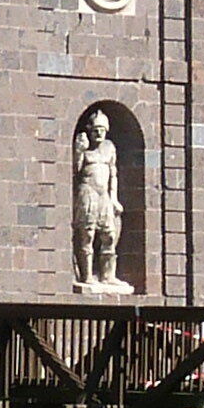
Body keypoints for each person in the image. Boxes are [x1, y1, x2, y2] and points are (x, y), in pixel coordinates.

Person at [72, 105, 127, 291]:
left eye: (102, 130)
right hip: (87, 193)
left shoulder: (109, 148)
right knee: (87, 234)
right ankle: (87, 275)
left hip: (104, 195)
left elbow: (114, 174)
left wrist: (114, 198)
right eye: (95, 130)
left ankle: (108, 275)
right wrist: (79, 152)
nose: (98, 133)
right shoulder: (84, 147)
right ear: (89, 130)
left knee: (109, 235)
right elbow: (75, 170)